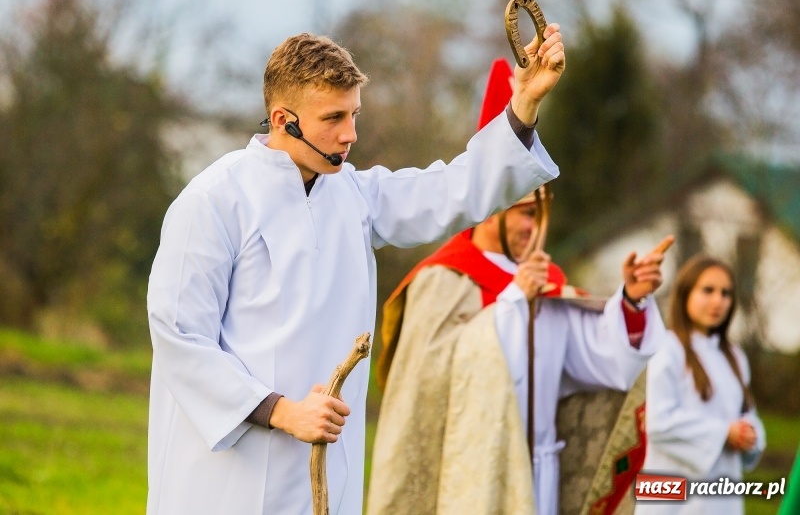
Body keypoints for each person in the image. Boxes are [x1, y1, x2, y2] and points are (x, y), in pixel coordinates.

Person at [146, 28, 565, 514]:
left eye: (354, 115)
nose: (351, 134)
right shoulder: (212, 200)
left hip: (325, 474)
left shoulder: (354, 196)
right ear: (284, 119)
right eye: (334, 118)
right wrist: (282, 411)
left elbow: (453, 189)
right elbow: (180, 335)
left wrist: (524, 106)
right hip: (226, 480)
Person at [368, 58, 671, 515]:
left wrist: (629, 302)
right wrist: (512, 302)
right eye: (525, 212)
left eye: (539, 212)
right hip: (467, 480)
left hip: (541, 473)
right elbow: (428, 391)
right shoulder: (442, 279)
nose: (535, 226)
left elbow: (598, 365)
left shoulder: (545, 282)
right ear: (491, 208)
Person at [636, 254, 766, 515]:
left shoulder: (734, 357)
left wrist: (750, 434)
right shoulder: (666, 348)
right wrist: (723, 433)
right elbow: (659, 423)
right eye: (708, 290)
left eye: (726, 293)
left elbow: (746, 413)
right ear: (685, 294)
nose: (718, 300)